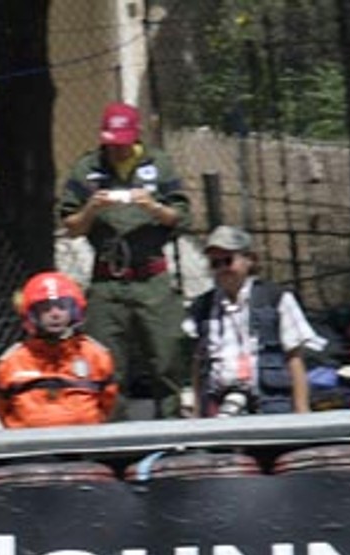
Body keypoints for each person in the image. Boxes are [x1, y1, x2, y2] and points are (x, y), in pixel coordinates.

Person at [56, 102, 191, 419]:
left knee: (166, 357)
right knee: (105, 364)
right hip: (107, 280)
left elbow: (181, 217)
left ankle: (173, 433)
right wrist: (91, 208)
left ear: (136, 134)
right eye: (111, 141)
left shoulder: (159, 165)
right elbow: (71, 227)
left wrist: (153, 207)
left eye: (122, 141)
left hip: (152, 279)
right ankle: (115, 439)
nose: (116, 148)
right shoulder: (87, 168)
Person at [187, 225, 329, 416]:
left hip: (270, 405)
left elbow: (294, 358)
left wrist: (301, 410)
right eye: (215, 263)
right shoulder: (202, 307)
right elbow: (198, 364)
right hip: (218, 407)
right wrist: (197, 413)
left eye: (228, 261)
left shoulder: (275, 298)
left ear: (250, 260)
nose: (222, 269)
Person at [0, 272, 118, 428]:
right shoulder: (12, 362)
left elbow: (108, 403)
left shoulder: (95, 355)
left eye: (62, 307)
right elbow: (2, 408)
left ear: (75, 310)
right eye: (46, 308)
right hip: (30, 446)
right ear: (31, 314)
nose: (55, 314)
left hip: (85, 444)